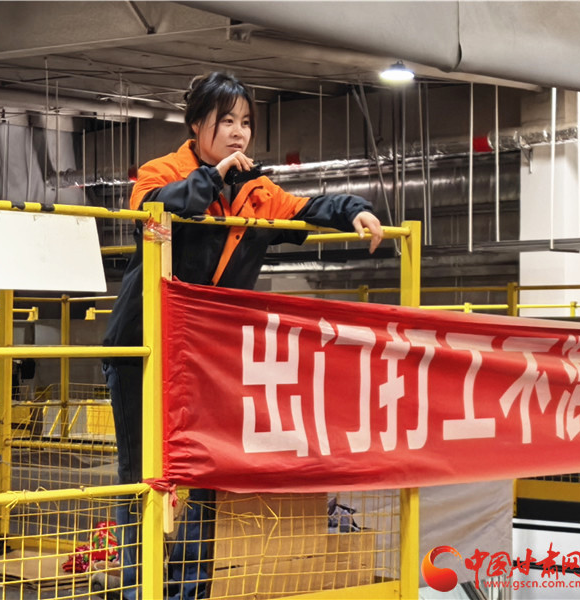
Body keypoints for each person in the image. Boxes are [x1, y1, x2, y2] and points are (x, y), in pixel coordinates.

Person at [97, 72, 383, 600]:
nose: (238, 133)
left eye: (245, 123)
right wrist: (213, 178)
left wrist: (355, 209)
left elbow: (308, 208)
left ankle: (188, 591)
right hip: (143, 347)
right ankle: (141, 589)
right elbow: (153, 209)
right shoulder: (162, 173)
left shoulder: (257, 193)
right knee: (142, 473)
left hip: (208, 355)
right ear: (195, 124)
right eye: (225, 120)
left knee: (204, 471)